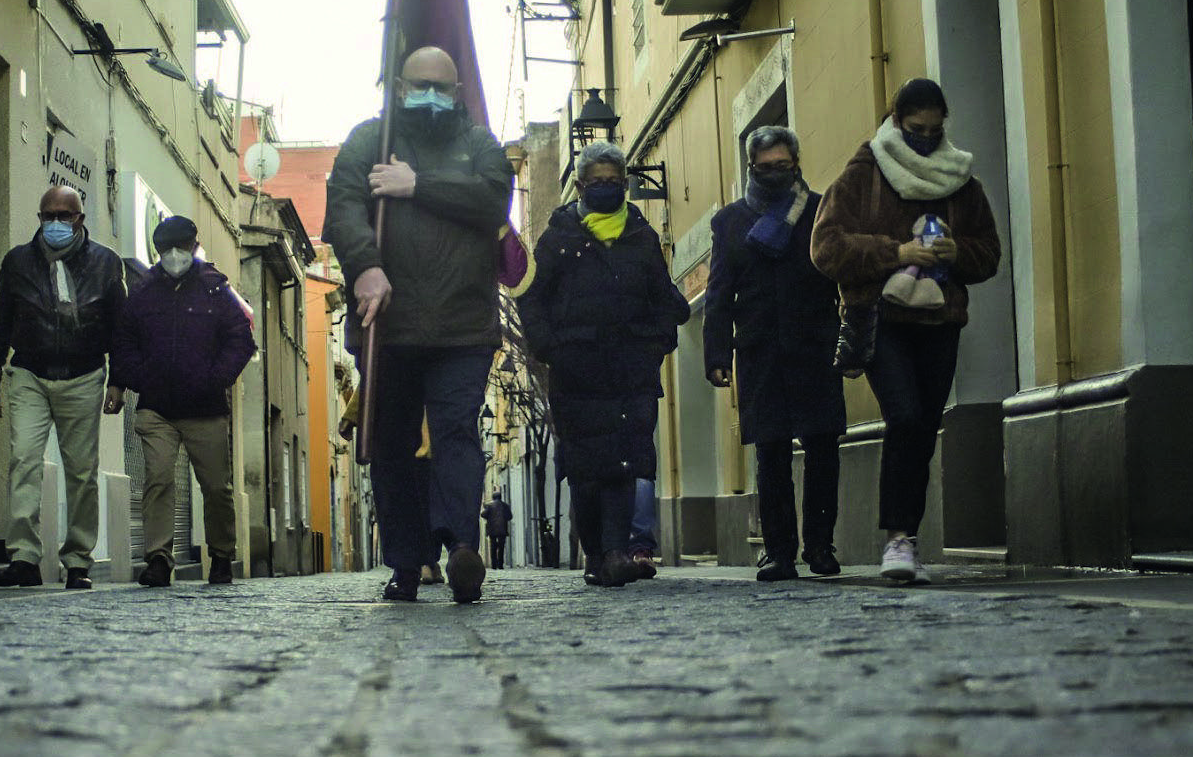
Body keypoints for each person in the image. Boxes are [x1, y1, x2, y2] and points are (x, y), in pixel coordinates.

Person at [325, 45, 513, 604]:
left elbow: (493, 200)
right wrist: (365, 266)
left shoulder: (479, 143)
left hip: (462, 326)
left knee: (457, 435)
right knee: (390, 446)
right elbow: (341, 207)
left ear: (455, 93)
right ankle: (407, 564)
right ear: (399, 86)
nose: (430, 94)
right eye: (419, 83)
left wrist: (418, 184)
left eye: (441, 86)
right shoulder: (369, 139)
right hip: (389, 325)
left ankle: (461, 550)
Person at [812, 78, 1001, 584]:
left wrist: (957, 252)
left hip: (940, 319)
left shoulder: (962, 180)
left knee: (922, 426)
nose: (926, 137)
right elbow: (826, 247)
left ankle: (906, 536)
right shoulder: (863, 175)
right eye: (916, 129)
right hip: (881, 316)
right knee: (905, 414)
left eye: (935, 130)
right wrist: (895, 252)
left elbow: (989, 253)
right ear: (896, 122)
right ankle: (897, 539)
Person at [519, 141, 690, 588]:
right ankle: (595, 552)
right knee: (585, 470)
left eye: (614, 182)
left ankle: (616, 551)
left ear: (626, 184)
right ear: (579, 186)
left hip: (632, 369)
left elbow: (662, 296)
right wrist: (548, 347)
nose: (606, 189)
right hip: (576, 372)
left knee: (624, 463)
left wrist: (658, 343)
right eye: (597, 182)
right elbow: (533, 299)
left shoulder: (641, 235)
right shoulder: (558, 239)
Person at [706, 126, 848, 581]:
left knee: (824, 447)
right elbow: (719, 292)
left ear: (796, 163)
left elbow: (842, 274)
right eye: (764, 168)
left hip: (815, 346)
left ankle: (821, 545)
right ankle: (779, 551)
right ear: (751, 168)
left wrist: (855, 334)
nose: (773, 174)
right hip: (759, 350)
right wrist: (715, 354)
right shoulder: (729, 221)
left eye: (782, 166)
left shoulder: (822, 209)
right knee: (770, 454)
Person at [0, 185, 128, 589]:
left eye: (66, 215)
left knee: (82, 472)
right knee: (24, 460)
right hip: (29, 373)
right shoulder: (17, 262)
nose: (57, 223)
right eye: (49, 216)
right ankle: (24, 558)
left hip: (83, 376)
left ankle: (78, 561)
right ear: (39, 218)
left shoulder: (105, 262)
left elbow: (120, 328)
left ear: (81, 219)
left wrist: (119, 381)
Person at [110, 216, 255, 587]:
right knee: (157, 479)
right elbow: (123, 344)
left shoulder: (216, 290)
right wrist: (140, 380)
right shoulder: (141, 293)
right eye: (166, 249)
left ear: (194, 245)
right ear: (158, 252)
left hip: (206, 408)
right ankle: (158, 559)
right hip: (157, 407)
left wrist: (215, 379)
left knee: (216, 488)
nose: (174, 255)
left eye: (181, 247)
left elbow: (241, 341)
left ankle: (221, 555)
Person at [482, 490, 513, 569]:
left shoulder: (489, 506)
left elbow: (483, 514)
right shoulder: (505, 506)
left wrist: (489, 517)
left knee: (493, 546)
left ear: (493, 498)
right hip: (502, 529)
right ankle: (500, 564)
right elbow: (510, 516)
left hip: (492, 530)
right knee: (501, 547)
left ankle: (494, 565)